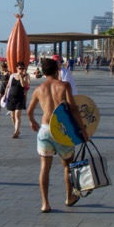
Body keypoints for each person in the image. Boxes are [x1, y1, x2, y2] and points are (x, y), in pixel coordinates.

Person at [26, 57, 86, 213]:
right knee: (67, 165)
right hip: (62, 130)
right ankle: (69, 197)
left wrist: (32, 121)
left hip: (45, 129)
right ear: (56, 70)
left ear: (43, 72)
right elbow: (73, 109)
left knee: (44, 167)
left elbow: (29, 111)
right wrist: (82, 129)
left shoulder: (39, 89)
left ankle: (45, 203)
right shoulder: (64, 86)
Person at [3, 63, 30, 138]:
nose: (21, 70)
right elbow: (8, 86)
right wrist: (5, 95)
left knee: (17, 115)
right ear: (16, 68)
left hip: (20, 98)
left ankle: (15, 132)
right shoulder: (12, 76)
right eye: (20, 68)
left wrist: (21, 77)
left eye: (22, 68)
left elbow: (23, 85)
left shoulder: (26, 76)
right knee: (12, 116)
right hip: (11, 97)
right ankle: (17, 129)